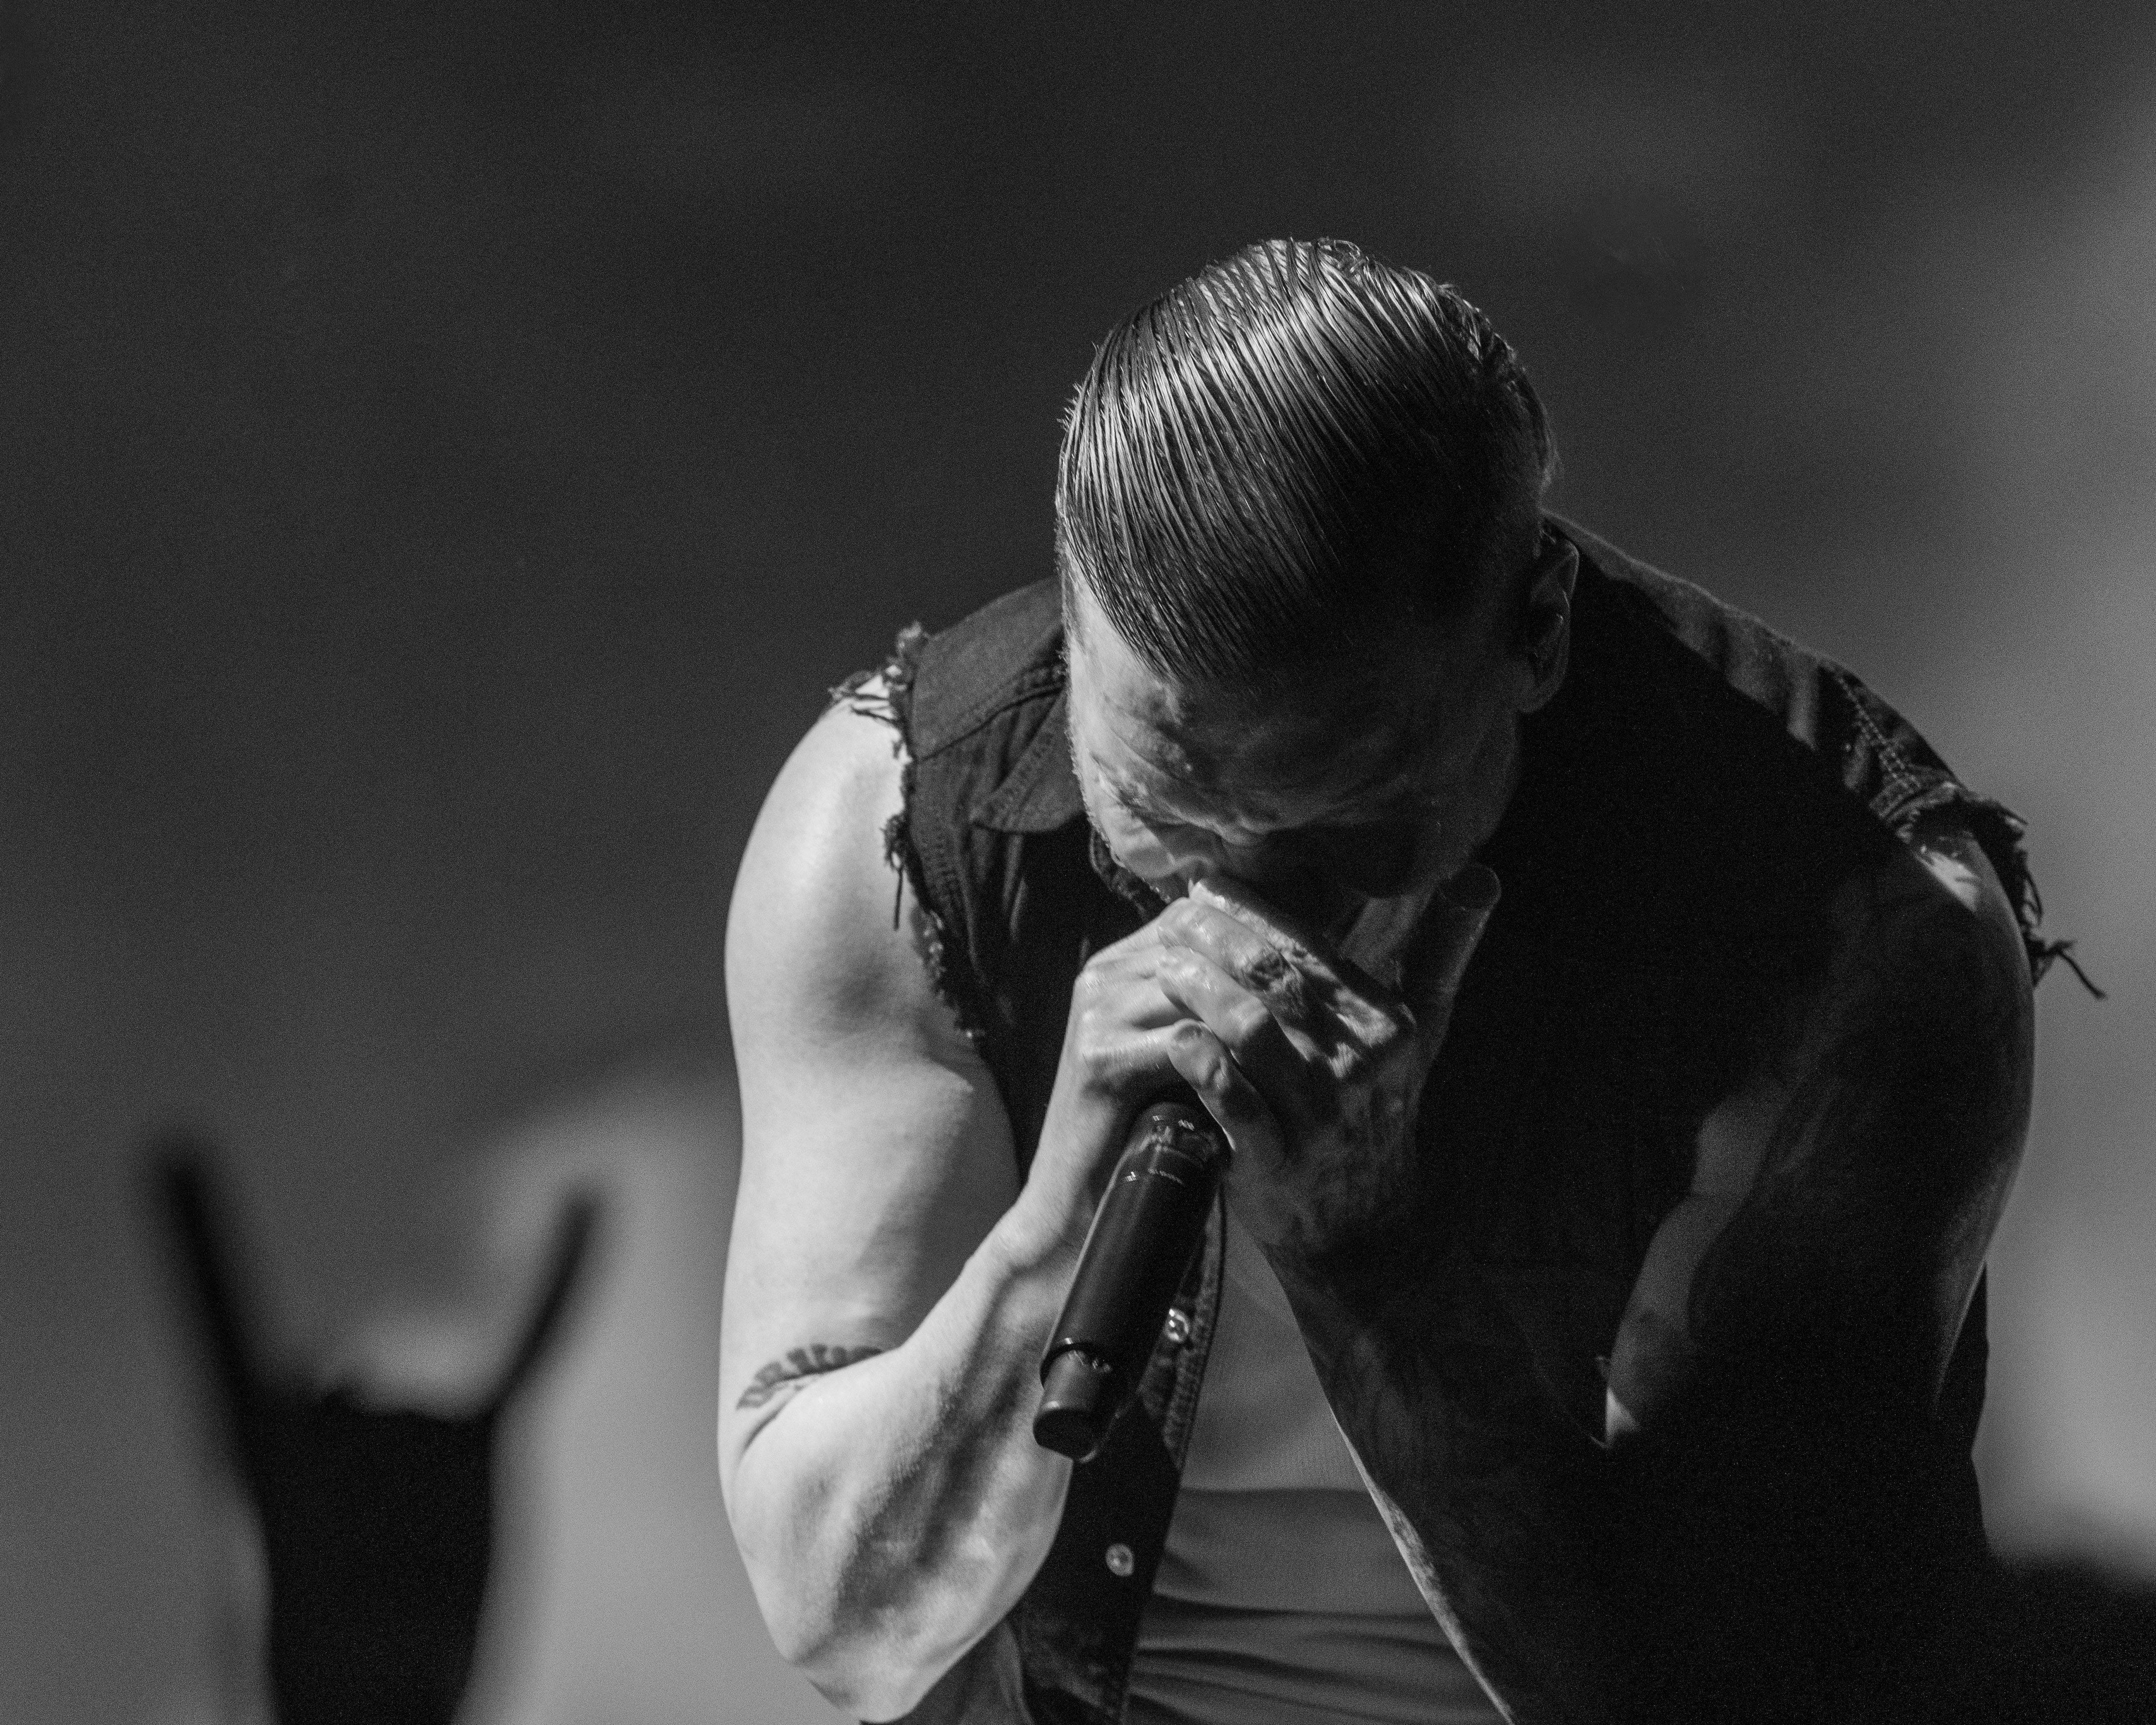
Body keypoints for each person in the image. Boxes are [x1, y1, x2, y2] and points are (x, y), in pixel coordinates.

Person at [718, 238, 2052, 1725]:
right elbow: (848, 1637)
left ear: (1534, 629)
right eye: (1164, 824)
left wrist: (1369, 1256)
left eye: (1348, 827)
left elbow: (1727, 1686)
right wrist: (1051, 1239)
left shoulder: (1851, 927)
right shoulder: (899, 820)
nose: (1243, 913)